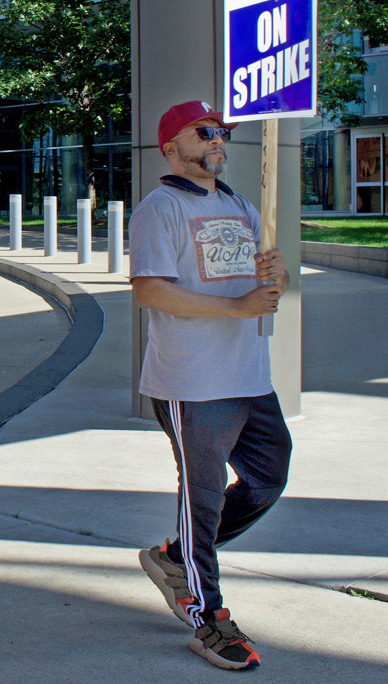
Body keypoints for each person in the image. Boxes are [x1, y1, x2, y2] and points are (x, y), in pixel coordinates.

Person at [128, 100, 292, 672]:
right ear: (172, 145)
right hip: (192, 382)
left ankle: (178, 558)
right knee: (202, 500)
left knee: (270, 477)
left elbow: (258, 277)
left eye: (222, 133)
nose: (219, 140)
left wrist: (275, 276)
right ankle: (207, 618)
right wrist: (237, 306)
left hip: (248, 375)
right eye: (206, 133)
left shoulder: (238, 203)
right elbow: (150, 289)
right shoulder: (161, 207)